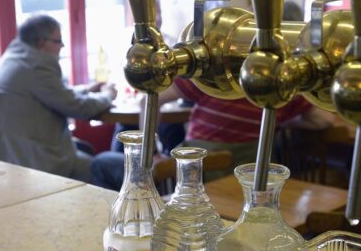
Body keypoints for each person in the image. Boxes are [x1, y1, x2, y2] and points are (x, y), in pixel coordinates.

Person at [90, 77, 332, 190]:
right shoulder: (281, 85)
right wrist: (280, 118)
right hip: (245, 184)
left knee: (101, 162)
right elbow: (324, 120)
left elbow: (149, 102)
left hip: (190, 181)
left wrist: (151, 153)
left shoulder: (217, 76)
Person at [0, 15, 116, 183]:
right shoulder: (37, 64)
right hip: (26, 163)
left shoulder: (17, 55)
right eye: (58, 41)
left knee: (88, 154)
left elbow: (52, 93)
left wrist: (86, 89)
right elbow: (78, 108)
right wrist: (107, 96)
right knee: (104, 170)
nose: (62, 46)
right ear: (42, 43)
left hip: (2, 154)